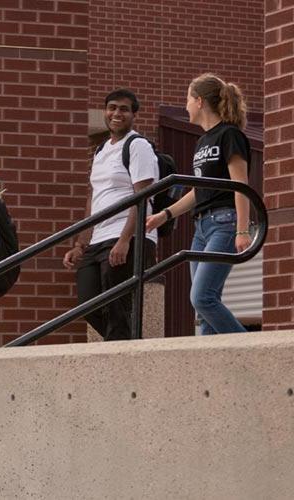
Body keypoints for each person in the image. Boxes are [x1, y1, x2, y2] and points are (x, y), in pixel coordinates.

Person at [146, 73, 251, 335]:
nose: (186, 106)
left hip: (224, 223)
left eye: (188, 99)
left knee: (202, 298)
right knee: (203, 311)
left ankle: (252, 351)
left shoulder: (230, 135)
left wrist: (242, 229)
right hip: (201, 228)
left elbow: (241, 185)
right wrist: (165, 215)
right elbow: (198, 190)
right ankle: (211, 372)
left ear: (200, 101)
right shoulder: (202, 142)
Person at [63, 89, 159, 341]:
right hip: (99, 238)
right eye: (112, 107)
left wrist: (125, 240)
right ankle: (123, 345)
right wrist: (80, 243)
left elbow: (142, 196)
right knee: (87, 302)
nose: (117, 113)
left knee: (116, 305)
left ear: (133, 115)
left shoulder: (138, 146)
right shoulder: (100, 150)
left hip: (127, 235)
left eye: (124, 109)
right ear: (105, 111)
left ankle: (120, 351)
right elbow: (92, 198)